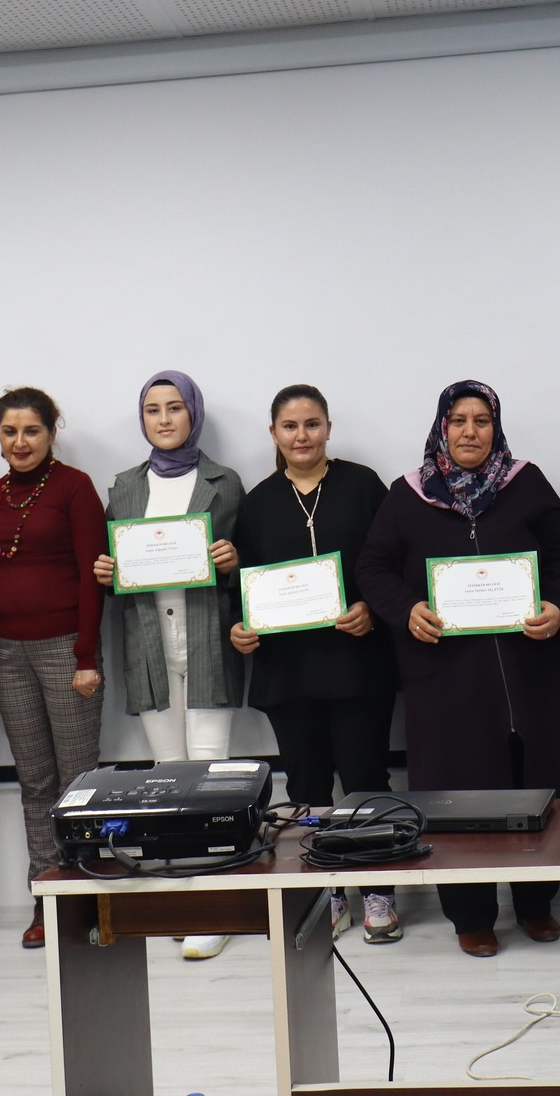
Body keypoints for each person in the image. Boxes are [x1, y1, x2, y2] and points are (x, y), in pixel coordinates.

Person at [355, 379, 560, 957]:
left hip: (532, 674)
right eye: (458, 421)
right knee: (458, 798)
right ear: (442, 427)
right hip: (448, 682)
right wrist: (407, 610)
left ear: (495, 428)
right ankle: (471, 915)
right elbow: (373, 568)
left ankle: (537, 904)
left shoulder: (526, 483)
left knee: (539, 788)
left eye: (482, 421)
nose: (470, 431)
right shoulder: (408, 494)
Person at [228, 384, 401, 943]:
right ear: (273, 434)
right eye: (290, 426)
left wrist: (370, 609)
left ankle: (377, 891)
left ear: (328, 427)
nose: (301, 435)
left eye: (311, 424)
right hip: (289, 671)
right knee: (306, 787)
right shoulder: (257, 502)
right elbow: (243, 584)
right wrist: (240, 627)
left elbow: (390, 562)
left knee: (365, 780)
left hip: (357, 664)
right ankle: (327, 893)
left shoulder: (363, 485)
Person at [92, 370, 245, 960]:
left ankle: (218, 906)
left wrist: (232, 562)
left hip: (207, 641)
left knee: (212, 775)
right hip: (150, 646)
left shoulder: (224, 483)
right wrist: (107, 573)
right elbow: (119, 571)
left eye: (175, 407)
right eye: (152, 409)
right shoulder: (124, 487)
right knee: (169, 776)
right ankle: (185, 897)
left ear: (193, 414)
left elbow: (248, 565)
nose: (163, 419)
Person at [0, 386, 107, 952]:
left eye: (32, 431)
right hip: (8, 654)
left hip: (67, 650)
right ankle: (45, 897)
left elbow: (93, 576)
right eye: (10, 431)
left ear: (51, 432)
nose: (20, 442)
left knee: (78, 783)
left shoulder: (75, 487)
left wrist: (86, 657)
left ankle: (86, 896)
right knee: (35, 783)